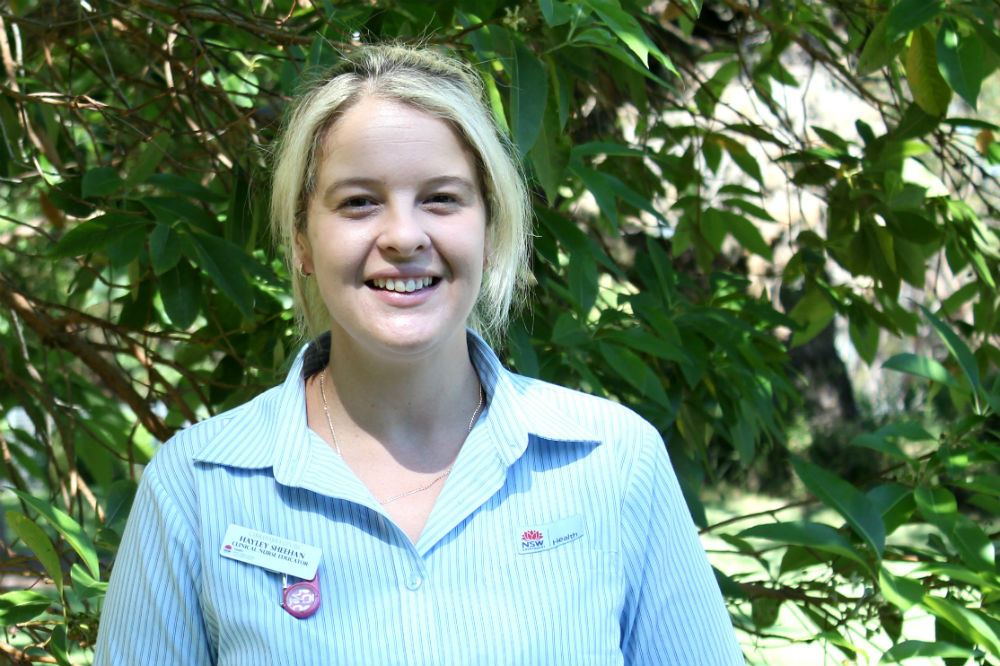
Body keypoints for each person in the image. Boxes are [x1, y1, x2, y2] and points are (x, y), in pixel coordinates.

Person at [94, 44, 744, 666]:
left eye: (440, 198)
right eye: (358, 202)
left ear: (490, 229)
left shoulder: (615, 463)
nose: (404, 236)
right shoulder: (197, 488)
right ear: (301, 240)